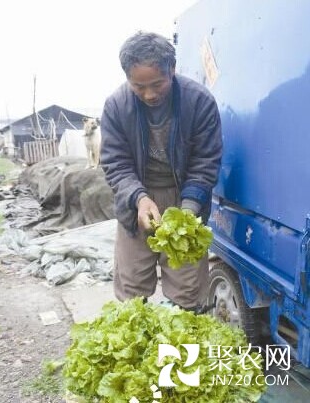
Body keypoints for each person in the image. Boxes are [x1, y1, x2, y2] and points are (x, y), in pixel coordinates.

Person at [100, 31, 222, 312]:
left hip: (185, 195)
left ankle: (180, 349)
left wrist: (188, 211)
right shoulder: (116, 106)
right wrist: (139, 199)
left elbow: (205, 162)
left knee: (188, 288)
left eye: (158, 84)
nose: (149, 94)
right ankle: (137, 347)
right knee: (132, 288)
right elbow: (116, 163)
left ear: (173, 70)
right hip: (136, 200)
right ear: (127, 79)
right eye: (138, 86)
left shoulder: (199, 102)